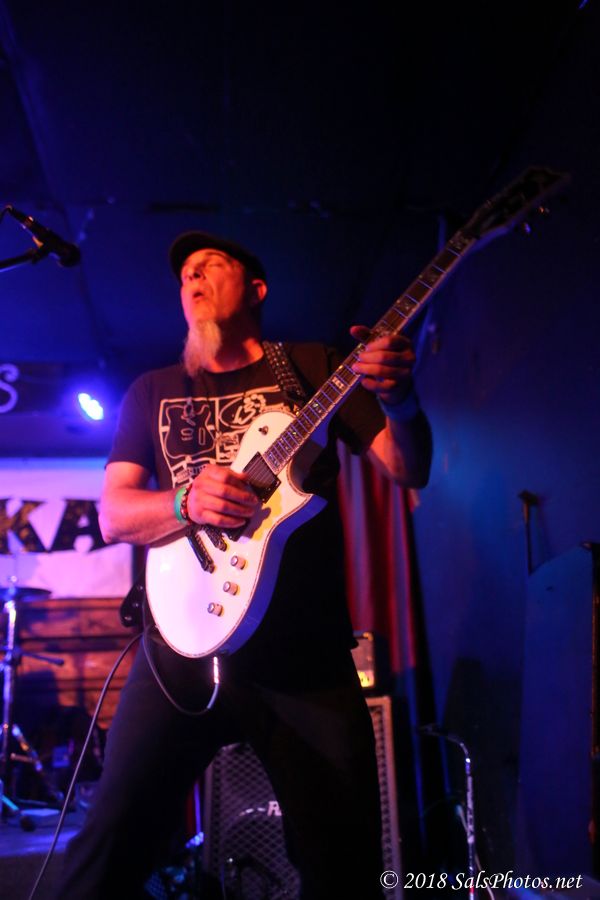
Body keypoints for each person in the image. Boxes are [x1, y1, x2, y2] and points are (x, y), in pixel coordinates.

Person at [56, 231, 432, 899]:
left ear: (256, 288)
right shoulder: (151, 390)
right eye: (185, 274)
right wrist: (185, 500)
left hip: (302, 655)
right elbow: (114, 515)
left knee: (343, 863)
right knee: (108, 844)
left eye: (211, 265)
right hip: (178, 649)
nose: (192, 277)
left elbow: (408, 467)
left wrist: (400, 399)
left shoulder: (315, 366)